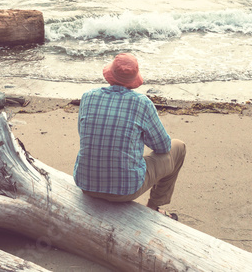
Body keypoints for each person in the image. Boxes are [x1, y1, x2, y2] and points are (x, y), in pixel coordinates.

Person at [73, 52, 186, 218]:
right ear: (134, 80)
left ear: (110, 74)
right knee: (178, 148)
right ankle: (153, 207)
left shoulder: (88, 97)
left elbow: (83, 133)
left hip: (86, 184)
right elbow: (163, 147)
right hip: (125, 190)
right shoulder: (142, 103)